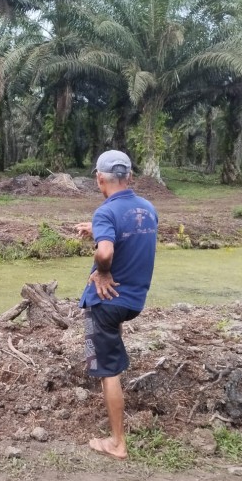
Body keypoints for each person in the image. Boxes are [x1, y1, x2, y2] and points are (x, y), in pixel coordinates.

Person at [74, 150, 158, 460]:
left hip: (107, 302)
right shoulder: (148, 209)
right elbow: (130, 234)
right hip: (134, 300)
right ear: (130, 177)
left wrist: (104, 271)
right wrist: (96, 231)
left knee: (108, 370)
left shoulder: (105, 212)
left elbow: (106, 253)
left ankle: (117, 443)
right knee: (112, 351)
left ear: (99, 179)